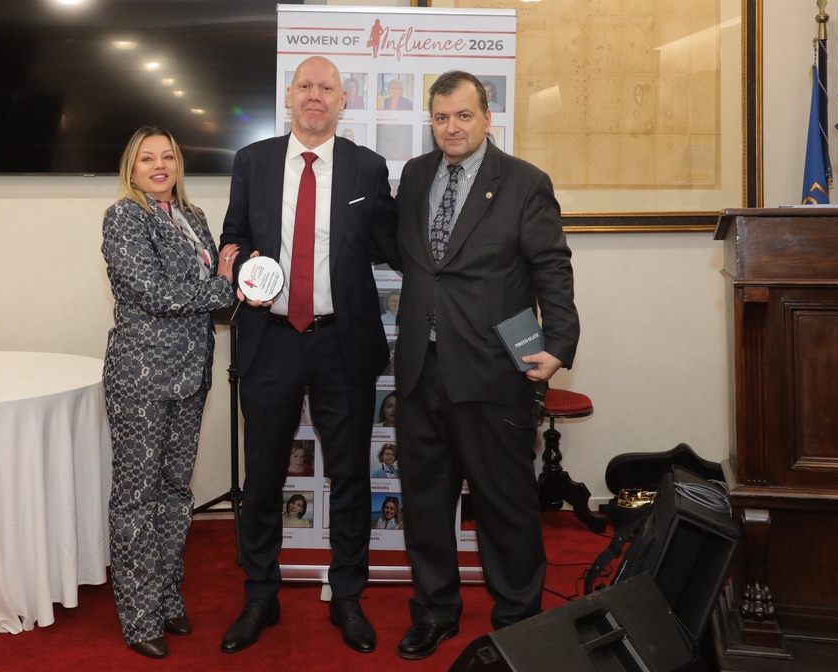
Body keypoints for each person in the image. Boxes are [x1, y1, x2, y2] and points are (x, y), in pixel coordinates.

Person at [393, 71, 579, 660]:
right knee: (425, 504)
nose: (452, 128)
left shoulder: (524, 183)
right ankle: (435, 612)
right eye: (441, 117)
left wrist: (561, 341)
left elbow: (552, 267)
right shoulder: (415, 175)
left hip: (493, 370)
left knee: (505, 506)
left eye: (463, 115)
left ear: (486, 117)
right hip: (420, 369)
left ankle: (518, 623)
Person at [219, 55, 400, 656]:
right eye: (305, 86)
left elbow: (394, 244)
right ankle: (260, 595)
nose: (315, 96)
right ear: (289, 96)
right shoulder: (253, 161)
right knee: (263, 475)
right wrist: (239, 267)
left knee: (349, 474)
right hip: (270, 338)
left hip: (340, 342)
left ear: (343, 101)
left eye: (327, 88)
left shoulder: (367, 168)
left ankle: (347, 594)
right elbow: (233, 237)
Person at [101, 125, 239, 659]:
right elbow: (155, 293)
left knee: (177, 495)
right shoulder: (124, 217)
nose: (159, 166)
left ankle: (165, 598)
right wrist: (221, 282)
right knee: (136, 499)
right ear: (131, 169)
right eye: (147, 159)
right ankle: (139, 618)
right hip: (141, 378)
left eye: (167, 157)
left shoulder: (193, 216)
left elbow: (213, 300)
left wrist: (230, 284)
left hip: (190, 375)